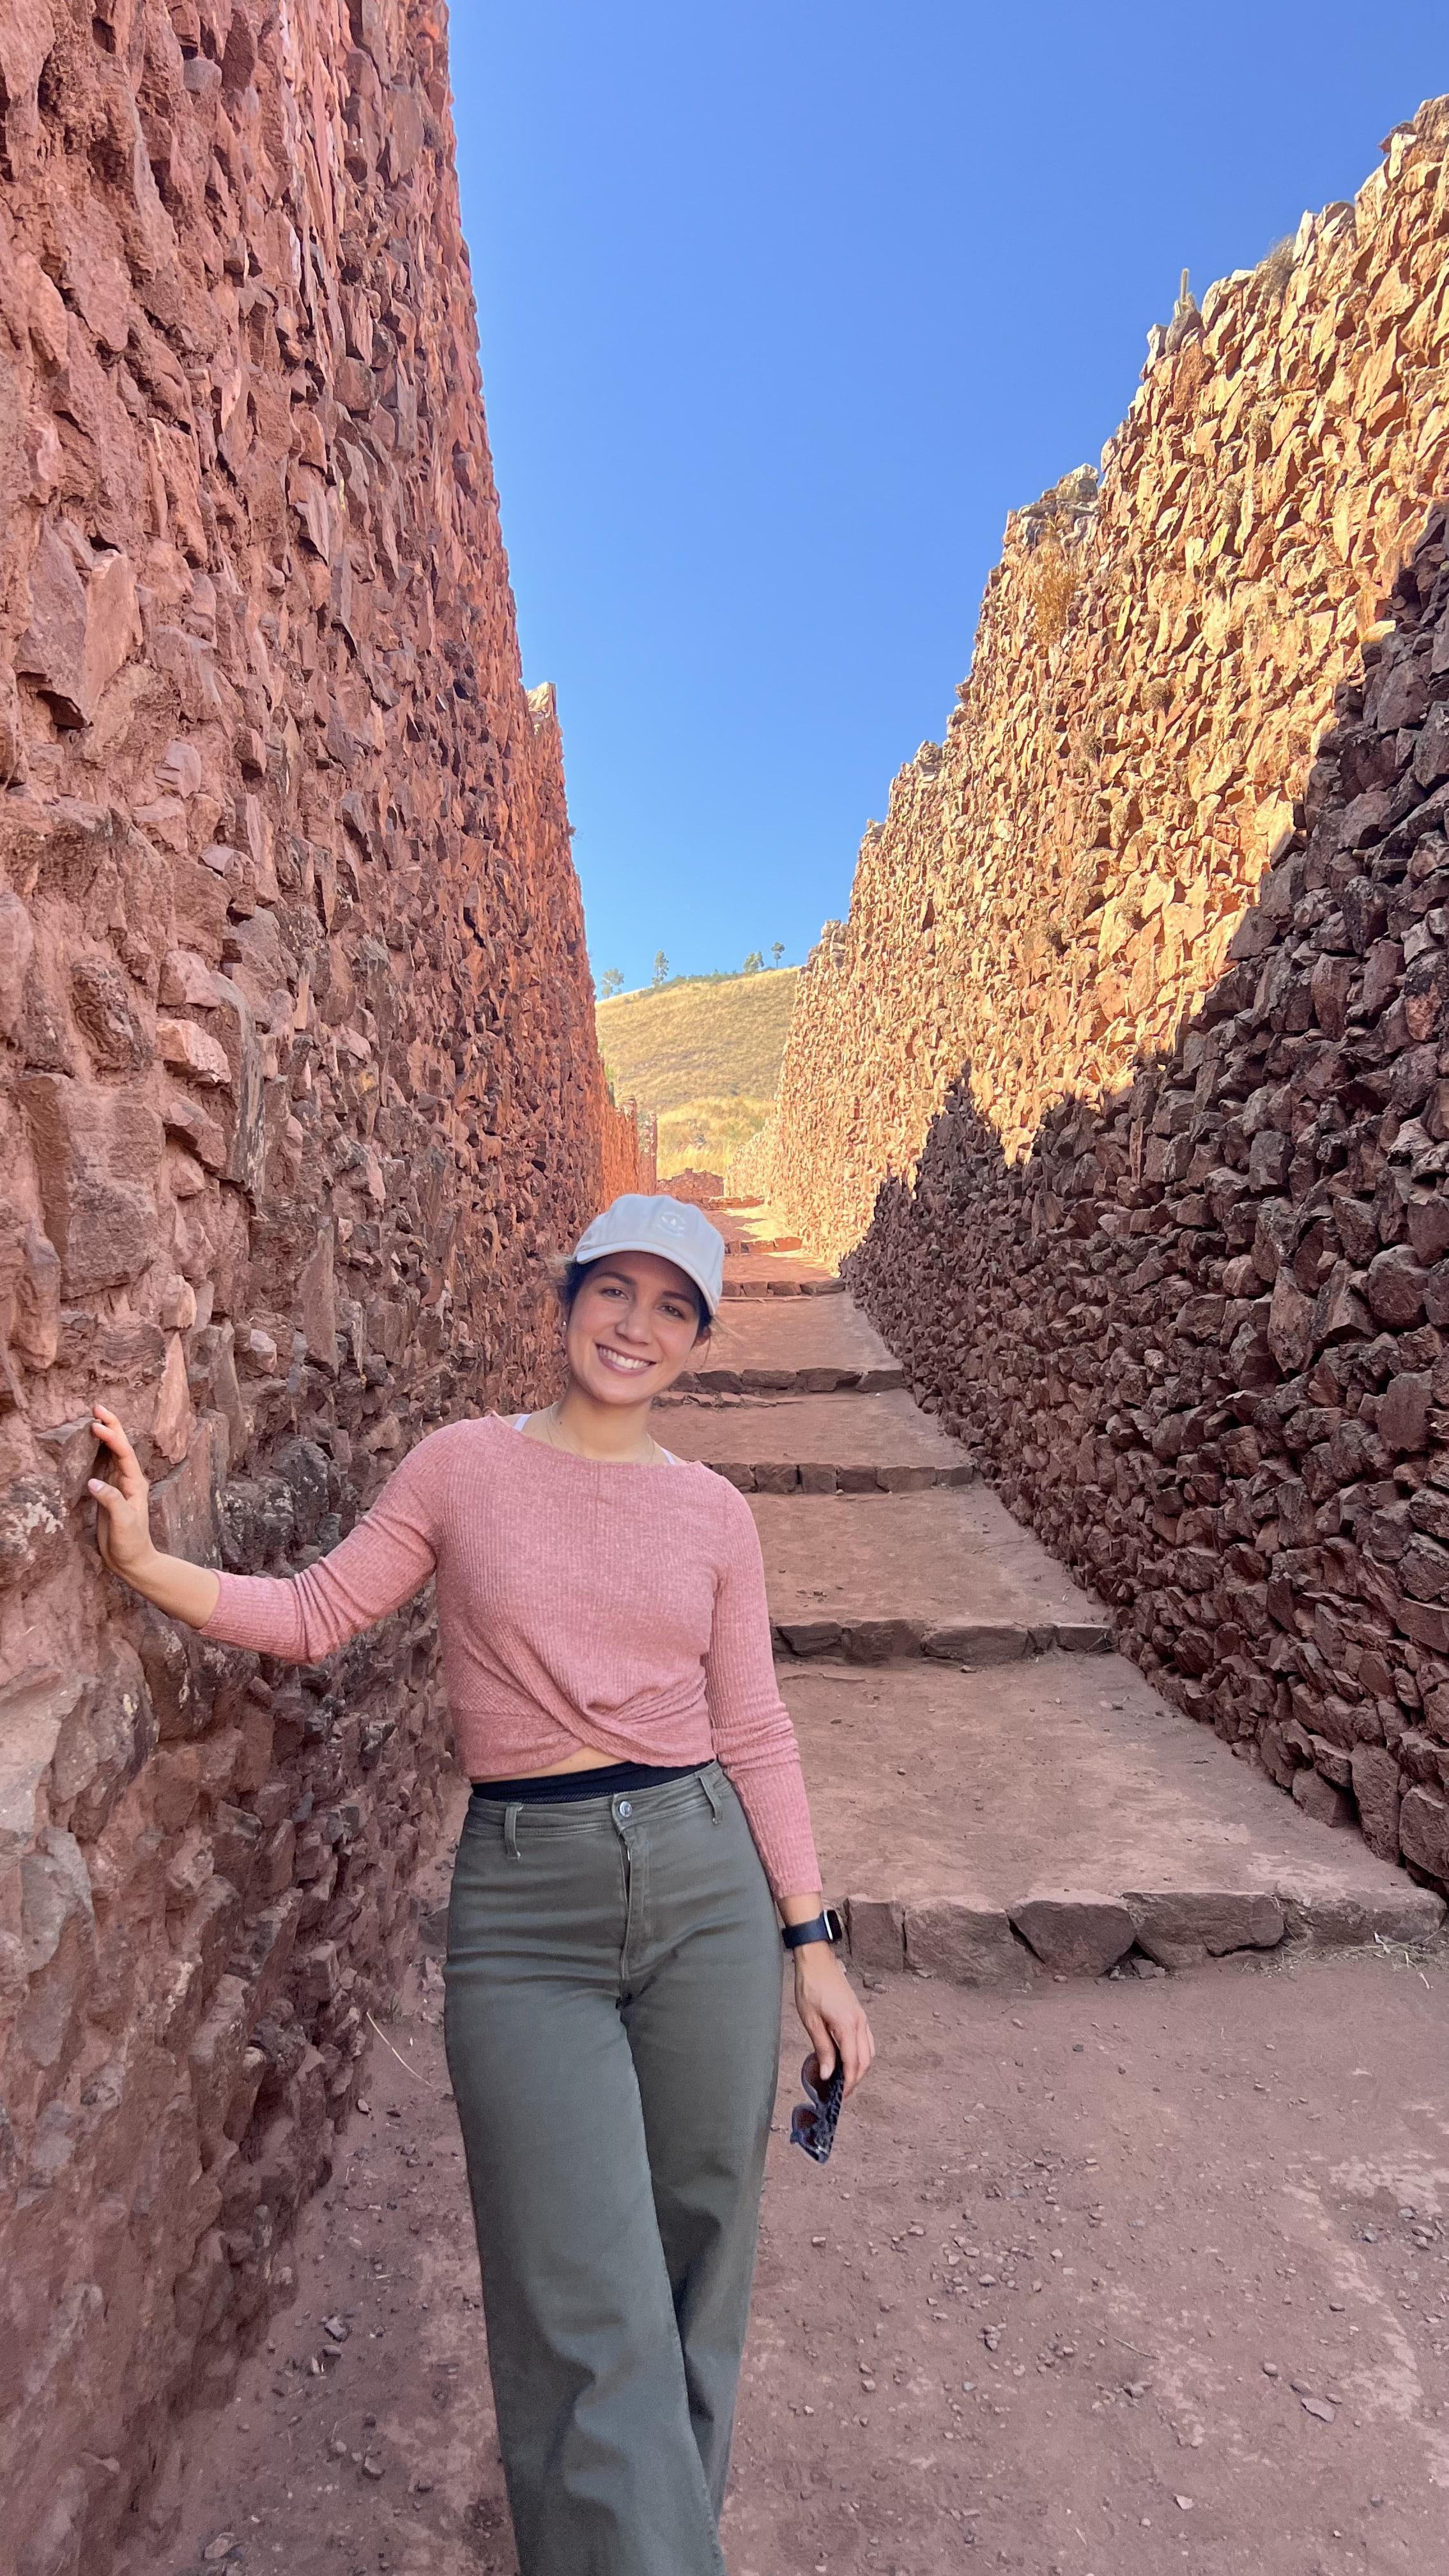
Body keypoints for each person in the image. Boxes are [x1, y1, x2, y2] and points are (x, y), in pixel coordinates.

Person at [89, 1190, 874, 2576]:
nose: (637, 1326)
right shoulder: (463, 1469)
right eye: (615, 1292)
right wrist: (153, 1566)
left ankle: (648, 2540)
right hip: (529, 1906)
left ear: (696, 1343)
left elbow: (755, 1728)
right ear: (568, 1298)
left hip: (704, 1887)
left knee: (700, 2255)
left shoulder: (714, 1516)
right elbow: (323, 1611)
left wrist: (811, 1939)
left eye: (672, 1308)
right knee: (584, 2299)